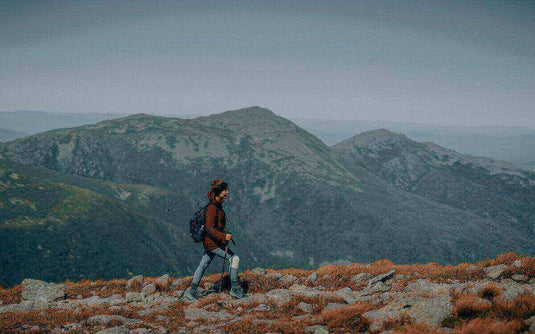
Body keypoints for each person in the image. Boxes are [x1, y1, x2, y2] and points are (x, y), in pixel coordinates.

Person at [186, 179, 245, 300]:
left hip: (210, 243)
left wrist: (224, 233)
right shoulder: (213, 209)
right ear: (219, 192)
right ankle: (235, 288)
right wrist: (224, 236)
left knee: (203, 264)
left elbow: (214, 227)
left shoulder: (215, 205)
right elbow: (209, 229)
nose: (227, 192)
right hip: (213, 243)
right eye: (225, 190)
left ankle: (192, 291)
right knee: (234, 259)